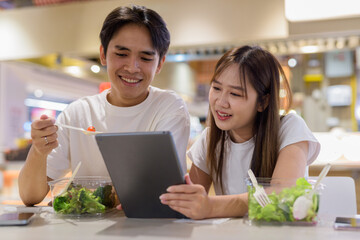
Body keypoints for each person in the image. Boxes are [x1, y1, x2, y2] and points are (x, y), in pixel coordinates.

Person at [19, 5, 190, 206]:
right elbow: (30, 196)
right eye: (122, 54)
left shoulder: (169, 108)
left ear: (159, 63)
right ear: (103, 54)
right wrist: (39, 150)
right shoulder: (78, 113)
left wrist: (80, 199)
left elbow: (156, 191)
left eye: (145, 58)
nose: (131, 67)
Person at [160, 45, 320, 219]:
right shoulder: (209, 139)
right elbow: (186, 202)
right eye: (216, 88)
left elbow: (283, 196)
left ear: (263, 102)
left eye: (235, 94)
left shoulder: (290, 128)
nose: (221, 102)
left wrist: (211, 206)